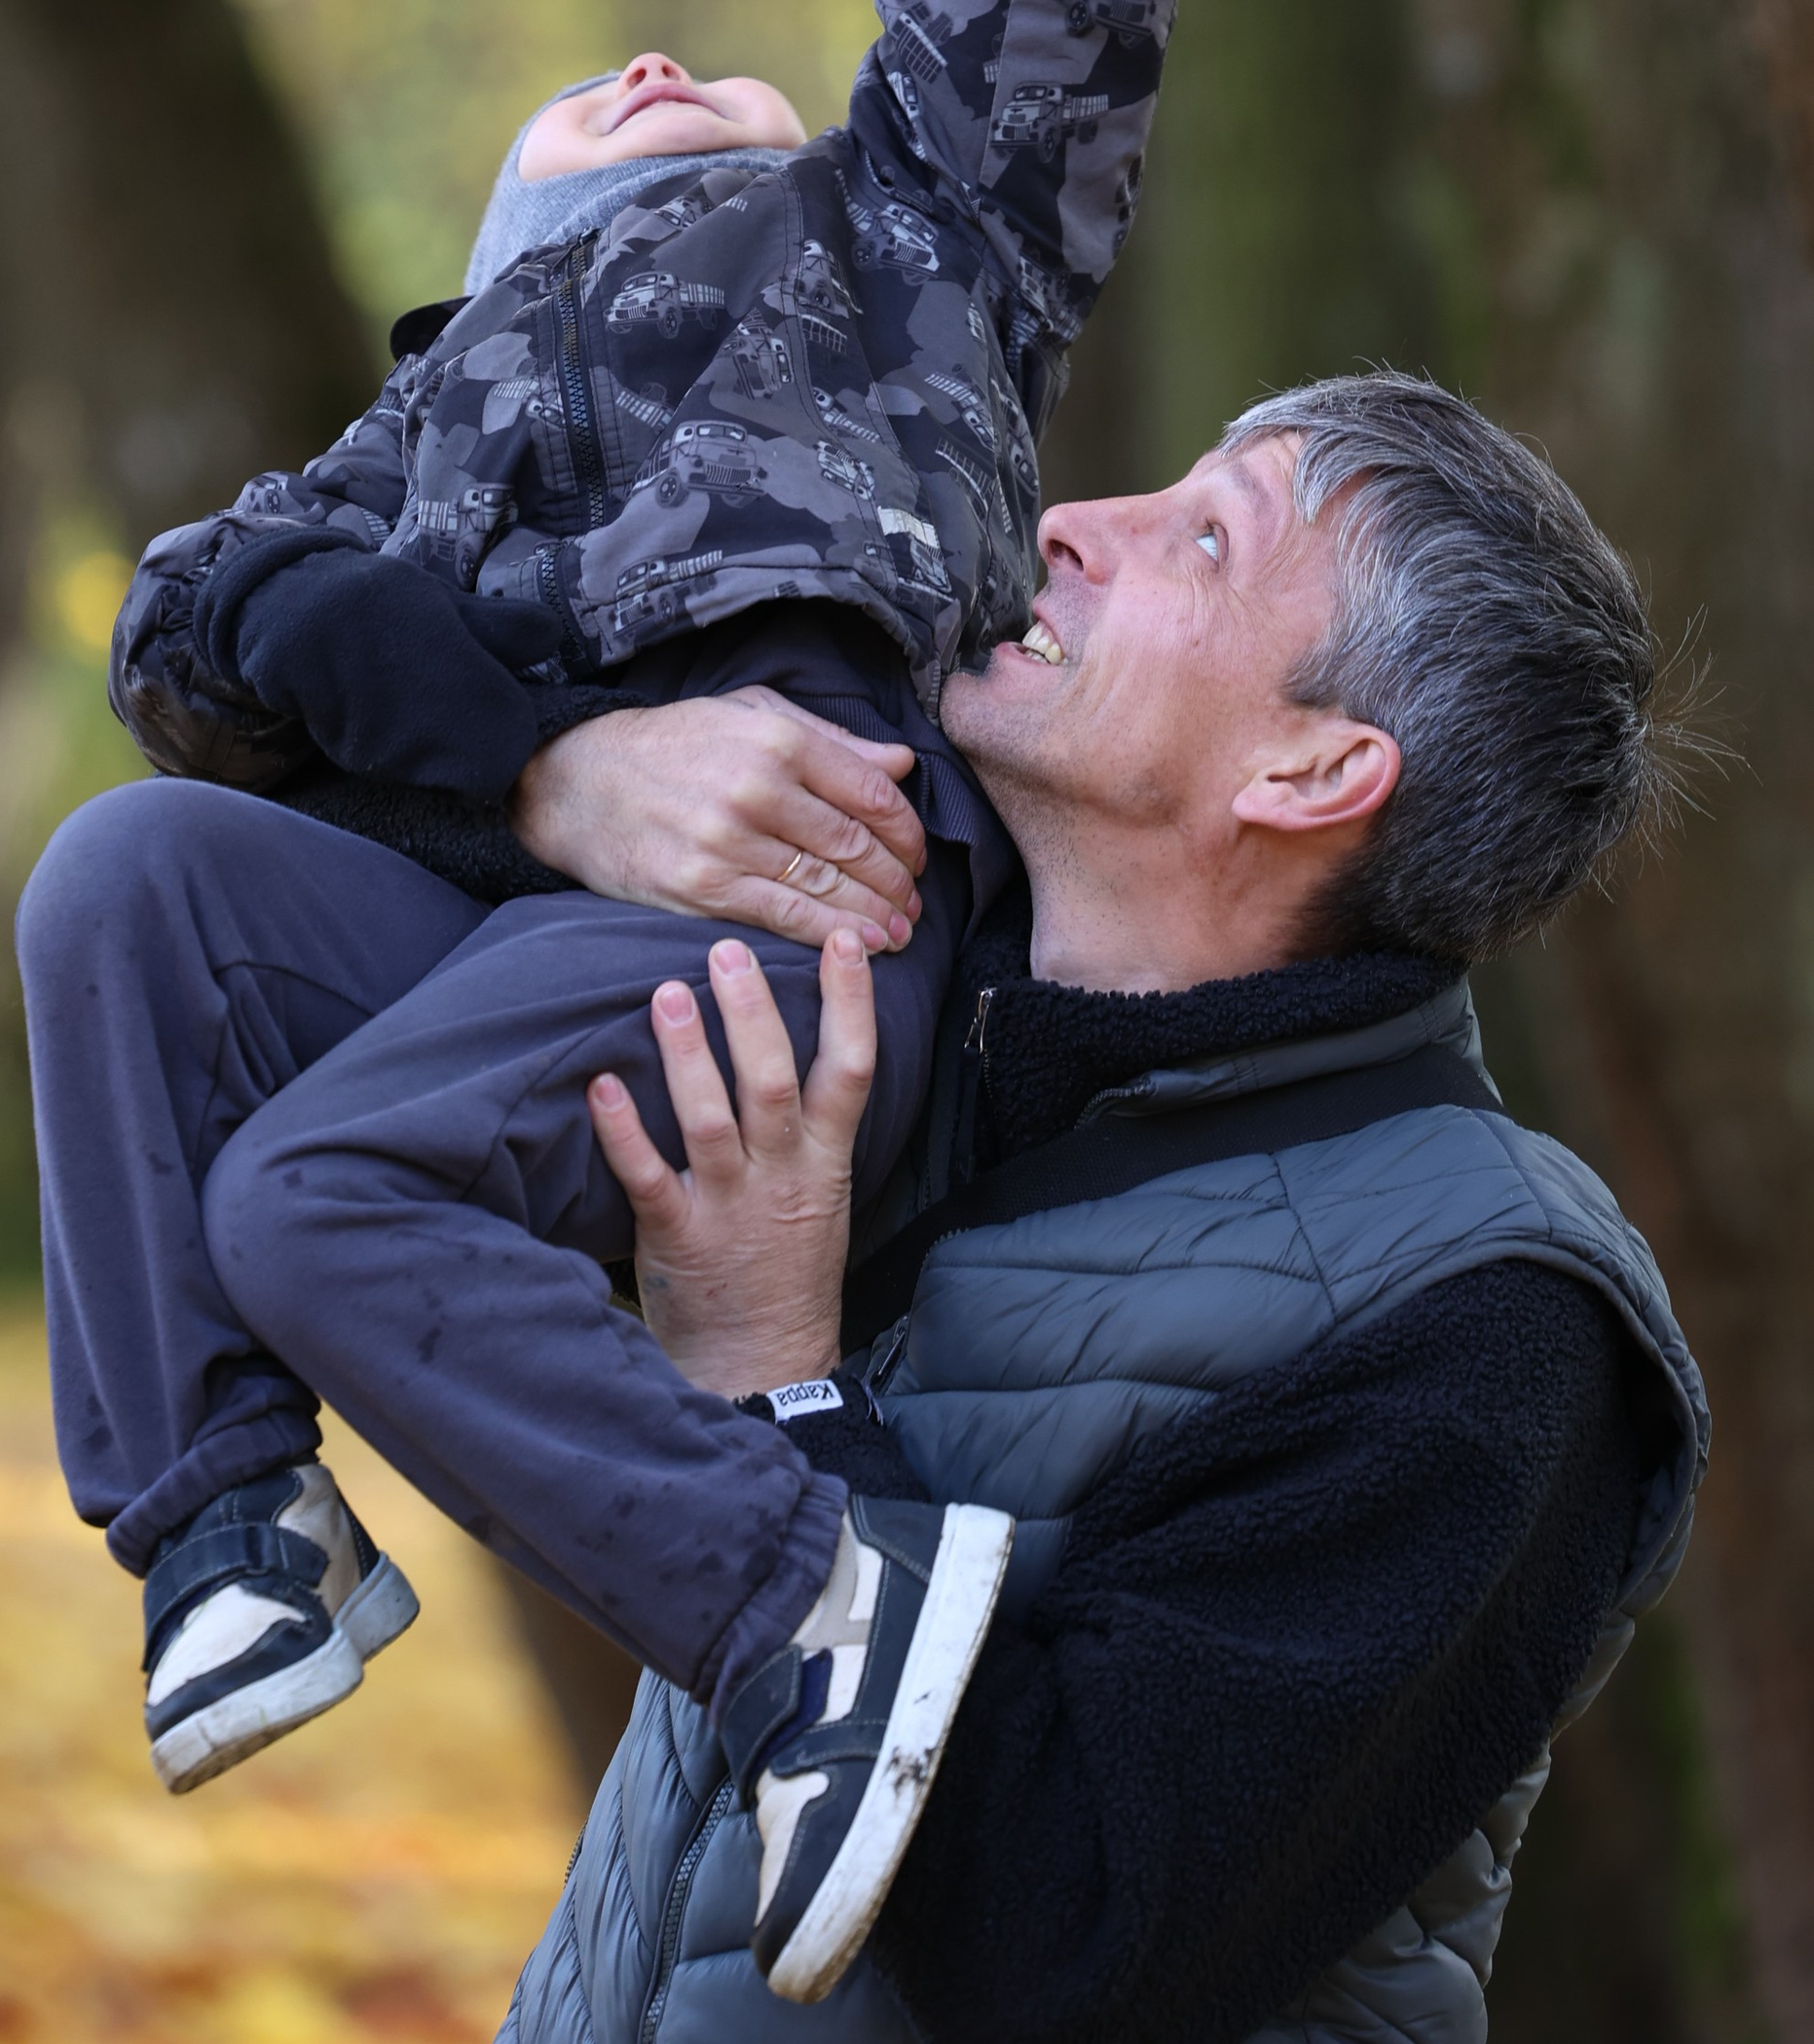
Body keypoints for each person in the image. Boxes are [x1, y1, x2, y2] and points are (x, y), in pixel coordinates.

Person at [17, 0, 1239, 1992]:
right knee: (118, 882)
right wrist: (539, 770)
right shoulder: (422, 431)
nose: (662, 59)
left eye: (709, 73)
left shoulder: (898, 245)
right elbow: (195, 623)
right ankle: (225, 1525)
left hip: (811, 913)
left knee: (314, 1193)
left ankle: (812, 1612)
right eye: (592, 100)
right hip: (535, 946)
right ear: (491, 239)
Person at [504, 375, 1708, 2044]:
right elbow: (281, 976)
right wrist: (559, 782)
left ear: (1315, 767)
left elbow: (1073, 1944)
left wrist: (773, 1380)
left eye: (1206, 538)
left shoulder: (1493, 1322)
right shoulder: (907, 1026)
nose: (1069, 522)